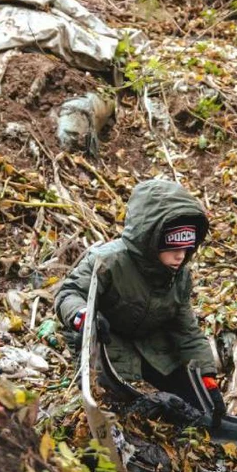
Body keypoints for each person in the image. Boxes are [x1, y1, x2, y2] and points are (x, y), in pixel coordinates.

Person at [55, 179, 225, 424]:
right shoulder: (108, 261)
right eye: (173, 246)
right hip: (107, 342)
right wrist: (82, 316)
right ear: (150, 239)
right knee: (125, 411)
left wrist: (207, 379)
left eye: (187, 247)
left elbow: (186, 330)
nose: (181, 255)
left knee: (195, 409)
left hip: (154, 346)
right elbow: (68, 293)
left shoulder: (179, 276)